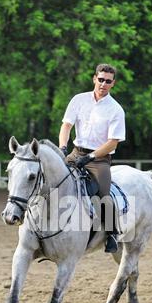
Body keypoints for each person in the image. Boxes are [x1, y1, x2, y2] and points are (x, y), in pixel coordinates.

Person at [58, 63, 126, 253]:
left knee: (104, 195)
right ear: (94, 78)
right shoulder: (78, 100)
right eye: (101, 79)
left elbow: (113, 143)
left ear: (113, 83)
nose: (103, 84)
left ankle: (112, 233)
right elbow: (66, 126)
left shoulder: (116, 109)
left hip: (99, 159)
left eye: (108, 81)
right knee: (53, 179)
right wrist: (63, 147)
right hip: (75, 152)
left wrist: (90, 157)